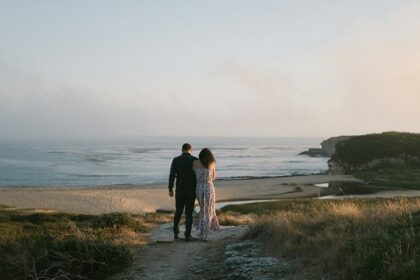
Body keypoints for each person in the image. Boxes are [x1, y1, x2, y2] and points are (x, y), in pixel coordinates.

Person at [168, 143, 198, 241]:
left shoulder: (176, 160)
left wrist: (170, 188)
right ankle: (187, 235)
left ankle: (176, 232)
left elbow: (172, 175)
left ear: (182, 150)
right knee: (189, 213)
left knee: (178, 211)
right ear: (190, 149)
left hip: (180, 189)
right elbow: (198, 177)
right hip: (191, 190)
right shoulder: (195, 160)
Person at [193, 148, 220, 240]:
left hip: (199, 188)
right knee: (209, 209)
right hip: (209, 187)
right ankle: (206, 233)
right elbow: (213, 178)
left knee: (203, 209)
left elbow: (193, 175)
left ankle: (202, 232)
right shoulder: (212, 163)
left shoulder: (195, 163)